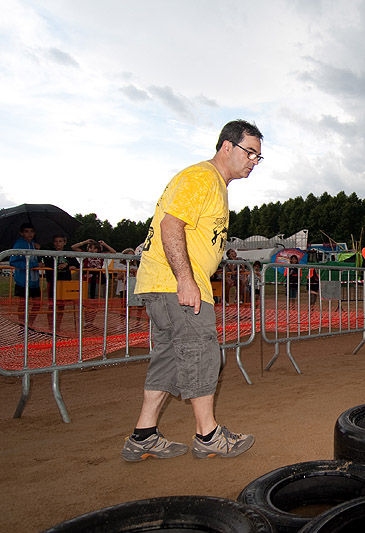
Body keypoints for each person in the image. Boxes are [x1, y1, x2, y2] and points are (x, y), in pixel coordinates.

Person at [122, 119, 262, 462]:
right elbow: (171, 225)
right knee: (202, 354)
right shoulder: (202, 177)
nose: (254, 161)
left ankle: (143, 435)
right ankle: (208, 435)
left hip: (163, 285)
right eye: (250, 152)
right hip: (177, 286)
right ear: (227, 146)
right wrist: (186, 280)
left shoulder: (213, 183)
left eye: (258, 157)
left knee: (170, 359)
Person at [9, 223, 45, 327]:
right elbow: (13, 262)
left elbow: (37, 260)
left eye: (31, 231)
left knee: (37, 304)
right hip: (22, 281)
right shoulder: (19, 244)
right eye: (26, 231)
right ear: (21, 233)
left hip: (34, 281)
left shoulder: (34, 244)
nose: (29, 234)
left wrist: (38, 251)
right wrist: (33, 265)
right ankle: (22, 326)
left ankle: (29, 325)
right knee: (23, 304)